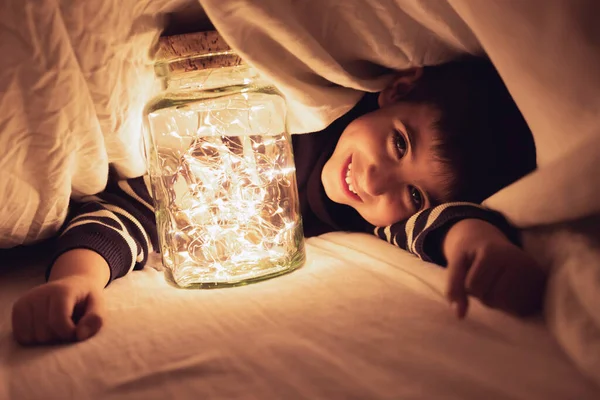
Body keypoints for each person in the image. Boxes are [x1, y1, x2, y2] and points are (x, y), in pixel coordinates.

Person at [11, 56, 545, 346]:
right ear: (397, 90)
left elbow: (433, 223)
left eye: (411, 192)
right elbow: (130, 207)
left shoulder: (367, 218)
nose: (378, 182)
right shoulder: (272, 128)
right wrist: (76, 278)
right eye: (399, 142)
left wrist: (480, 241)